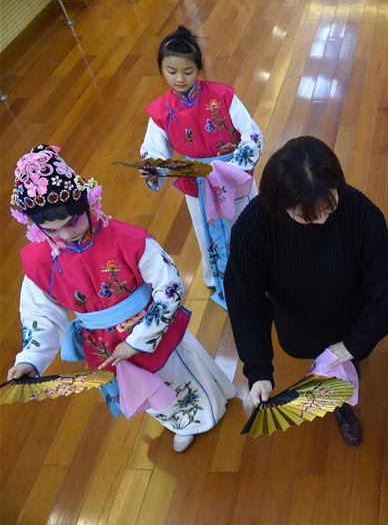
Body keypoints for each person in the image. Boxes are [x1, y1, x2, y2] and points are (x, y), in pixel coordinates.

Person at [8, 145, 235, 452]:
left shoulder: (128, 239)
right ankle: (176, 421)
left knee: (177, 374)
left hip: (149, 328)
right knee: (140, 387)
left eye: (72, 223)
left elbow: (170, 287)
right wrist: (31, 360)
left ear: (86, 203)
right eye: (52, 231)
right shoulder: (39, 260)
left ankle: (203, 416)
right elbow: (41, 315)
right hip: (103, 344)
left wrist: (138, 339)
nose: (65, 236)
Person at [224, 136, 388, 446]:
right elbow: (245, 300)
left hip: (352, 314)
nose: (321, 220)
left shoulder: (362, 215)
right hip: (297, 321)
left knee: (346, 366)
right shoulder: (253, 229)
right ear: (279, 205)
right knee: (314, 358)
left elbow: (383, 287)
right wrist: (258, 368)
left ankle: (341, 402)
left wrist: (355, 343)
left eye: (329, 209)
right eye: (307, 217)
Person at [140, 25, 263, 306]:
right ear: (161, 68)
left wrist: (236, 164)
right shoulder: (160, 111)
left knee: (246, 222)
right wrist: (152, 168)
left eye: (188, 71)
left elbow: (251, 133)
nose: (180, 79)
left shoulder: (221, 96)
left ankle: (258, 272)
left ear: (198, 69)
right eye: (171, 71)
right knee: (204, 228)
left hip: (231, 173)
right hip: (196, 179)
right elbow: (155, 151)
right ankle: (217, 277)